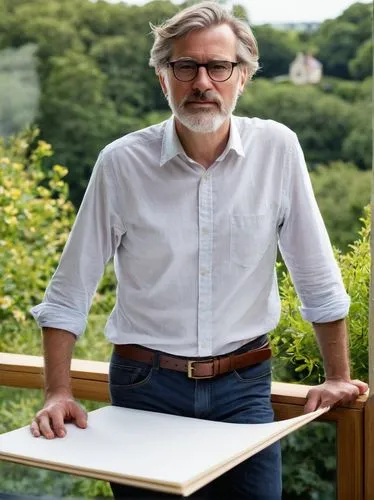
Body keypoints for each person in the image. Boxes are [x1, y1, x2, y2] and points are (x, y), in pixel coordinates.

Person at [29, 2, 368, 499]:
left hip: (245, 388)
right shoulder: (121, 164)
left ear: (243, 77)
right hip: (145, 389)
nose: (202, 82)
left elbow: (315, 273)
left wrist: (339, 376)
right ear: (163, 79)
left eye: (219, 66)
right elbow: (69, 293)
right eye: (185, 66)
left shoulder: (278, 149)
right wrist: (58, 392)